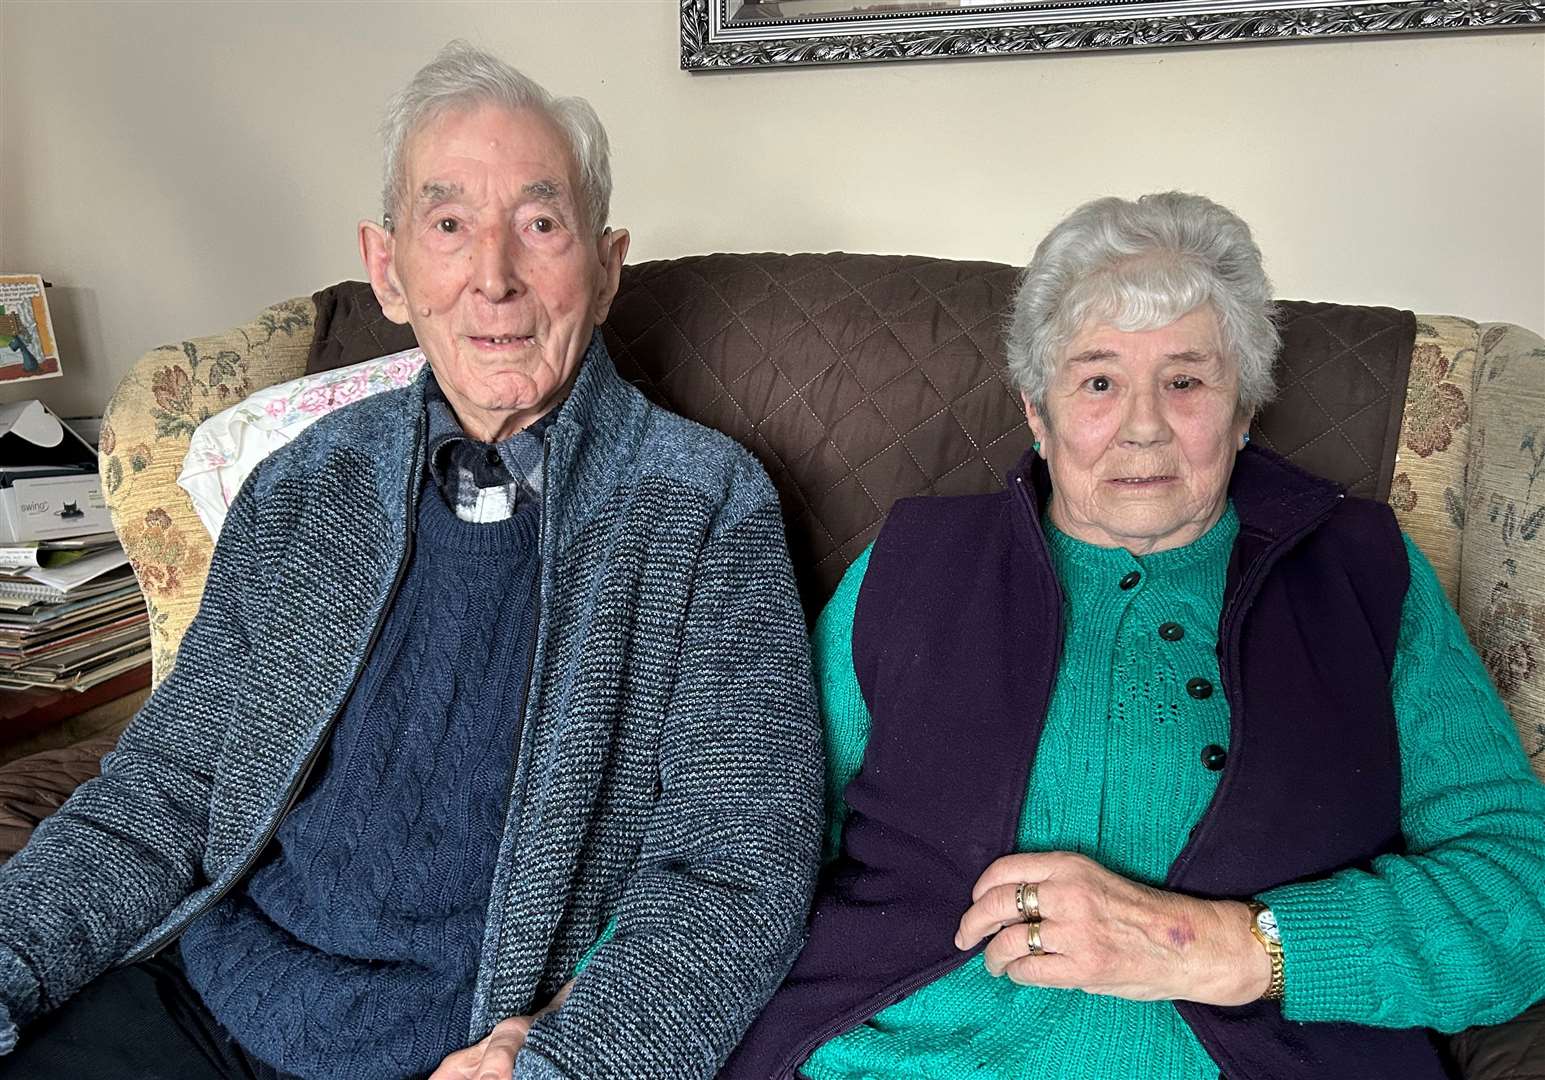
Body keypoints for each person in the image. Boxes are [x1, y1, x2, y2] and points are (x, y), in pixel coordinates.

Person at [0, 42, 822, 1080]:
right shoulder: (305, 486)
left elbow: (737, 865)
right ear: (389, 268)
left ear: (606, 268)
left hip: (462, 1050)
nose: (494, 276)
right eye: (448, 225)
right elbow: (167, 785)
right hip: (205, 996)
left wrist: (564, 1063)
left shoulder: (703, 509)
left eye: (539, 223)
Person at [723, 192, 1545, 1080]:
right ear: (1038, 413)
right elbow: (747, 837)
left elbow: (1517, 890)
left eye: (1186, 381)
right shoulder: (914, 560)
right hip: (891, 1051)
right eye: (1099, 381)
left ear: (1242, 411)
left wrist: (1217, 946)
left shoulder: (1360, 573)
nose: (1144, 425)